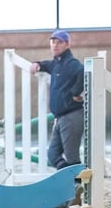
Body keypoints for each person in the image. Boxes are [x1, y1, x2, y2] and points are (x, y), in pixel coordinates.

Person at [29, 30, 85, 169]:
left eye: (59, 42)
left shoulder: (72, 64)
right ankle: (73, 180)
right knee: (53, 154)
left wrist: (75, 93)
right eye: (53, 42)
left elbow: (83, 72)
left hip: (71, 115)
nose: (55, 45)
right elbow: (45, 65)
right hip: (60, 117)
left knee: (72, 156)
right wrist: (37, 64)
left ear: (67, 44)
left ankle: (79, 185)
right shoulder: (55, 64)